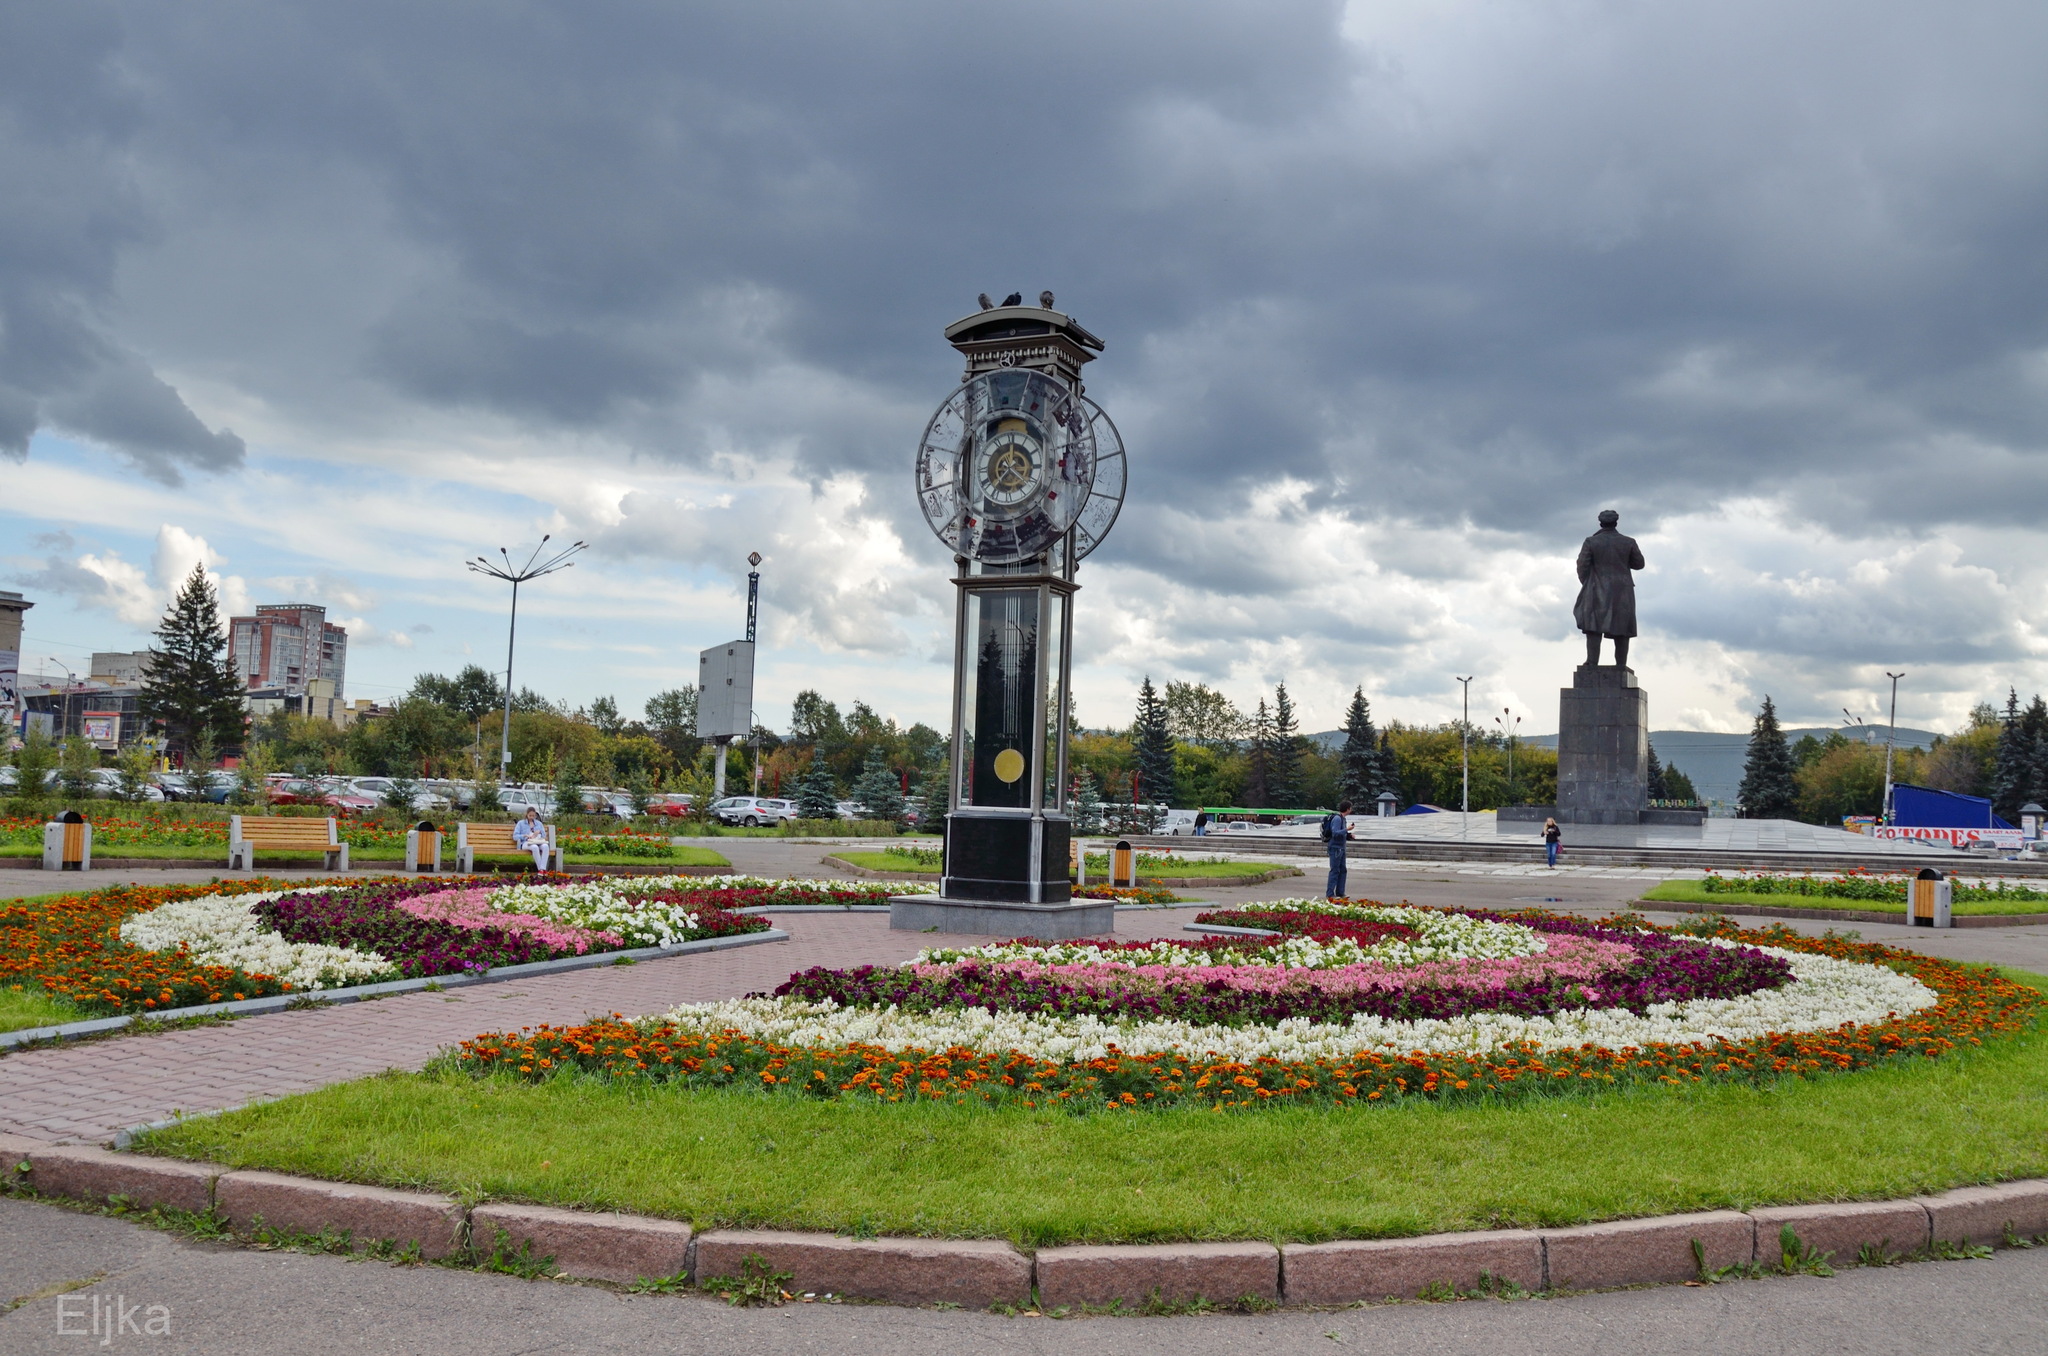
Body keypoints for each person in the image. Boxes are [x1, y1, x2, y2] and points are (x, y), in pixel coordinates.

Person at [1323, 801, 1353, 900]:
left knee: (1343, 870)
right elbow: (1335, 833)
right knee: (1334, 870)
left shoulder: (1343, 819)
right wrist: (1347, 830)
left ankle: (1340, 892)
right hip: (1335, 848)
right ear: (1347, 809)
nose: (1351, 810)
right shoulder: (1337, 818)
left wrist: (1349, 836)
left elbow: (1341, 833)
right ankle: (1330, 894)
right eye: (1350, 808)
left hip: (1341, 847)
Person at [512, 805, 551, 872]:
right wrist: (524, 836)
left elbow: (544, 835)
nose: (531, 817)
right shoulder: (521, 823)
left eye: (533, 816)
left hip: (538, 841)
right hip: (526, 842)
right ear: (527, 815)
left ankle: (542, 869)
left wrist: (539, 832)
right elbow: (515, 836)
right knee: (534, 847)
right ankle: (541, 870)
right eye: (530, 815)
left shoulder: (539, 823)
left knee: (545, 846)